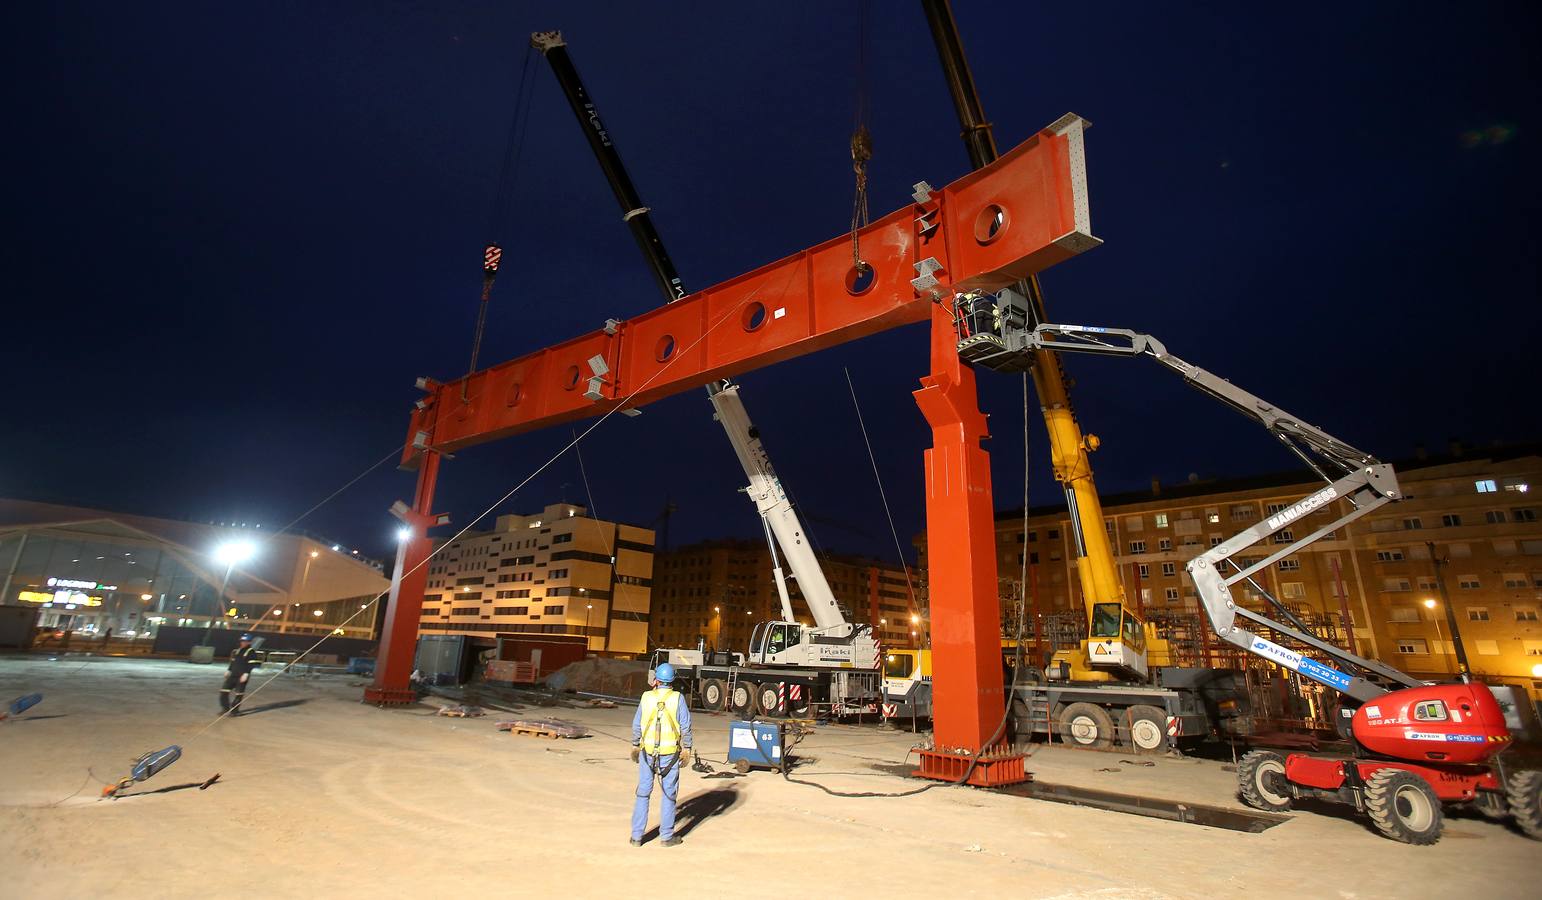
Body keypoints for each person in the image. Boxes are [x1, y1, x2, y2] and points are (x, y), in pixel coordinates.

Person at [629, 662, 692, 846]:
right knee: (669, 795)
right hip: (669, 756)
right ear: (672, 680)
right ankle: (666, 837)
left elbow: (636, 724)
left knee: (643, 793)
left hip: (647, 753)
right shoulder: (677, 698)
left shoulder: (646, 697)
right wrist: (687, 748)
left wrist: (635, 744)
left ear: (656, 679)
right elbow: (686, 726)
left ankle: (636, 837)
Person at [220, 634, 260, 716]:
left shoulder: (251, 652)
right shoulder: (237, 651)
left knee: (238, 694)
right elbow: (233, 662)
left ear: (249, 642)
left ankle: (235, 711)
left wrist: (246, 674)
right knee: (223, 691)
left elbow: (251, 664)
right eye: (242, 641)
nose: (243, 643)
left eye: (245, 641)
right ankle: (225, 708)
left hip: (242, 676)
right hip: (233, 675)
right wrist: (229, 670)